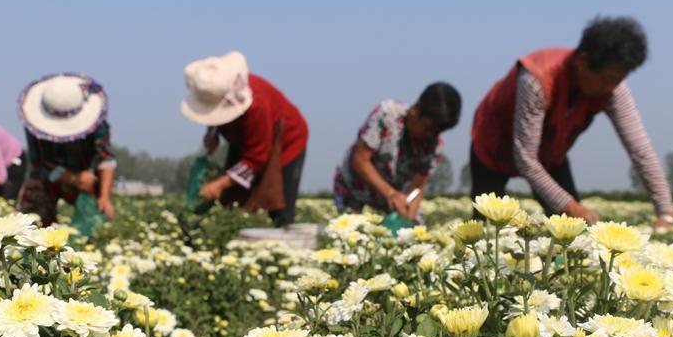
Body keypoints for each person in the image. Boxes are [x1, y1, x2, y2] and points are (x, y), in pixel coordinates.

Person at [471, 16, 673, 226]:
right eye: (606, 79)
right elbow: (526, 159)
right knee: (484, 228)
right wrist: (570, 207)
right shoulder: (536, 79)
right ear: (582, 61)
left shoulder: (614, 89)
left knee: (573, 233)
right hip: (495, 144)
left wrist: (665, 212)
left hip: (550, 153)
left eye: (618, 80)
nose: (610, 87)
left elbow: (640, 149)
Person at [181, 51, 308, 226]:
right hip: (246, 142)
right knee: (236, 200)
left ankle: (281, 237)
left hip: (286, 141)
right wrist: (212, 134)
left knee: (277, 202)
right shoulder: (219, 93)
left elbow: (257, 158)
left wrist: (220, 184)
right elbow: (214, 113)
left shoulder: (257, 106)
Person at [333, 83, 462, 221]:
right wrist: (390, 193)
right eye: (428, 128)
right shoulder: (387, 114)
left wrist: (408, 218)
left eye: (438, 131)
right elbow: (359, 160)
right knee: (351, 233)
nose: (431, 135)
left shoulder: (434, 147)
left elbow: (417, 186)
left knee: (413, 232)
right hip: (355, 189)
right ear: (416, 109)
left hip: (392, 199)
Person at [17, 73, 117, 226]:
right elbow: (40, 162)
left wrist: (105, 196)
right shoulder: (35, 127)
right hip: (51, 173)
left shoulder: (98, 124)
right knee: (33, 208)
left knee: (97, 215)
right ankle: (39, 238)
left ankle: (91, 238)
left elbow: (106, 158)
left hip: (87, 175)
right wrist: (71, 178)